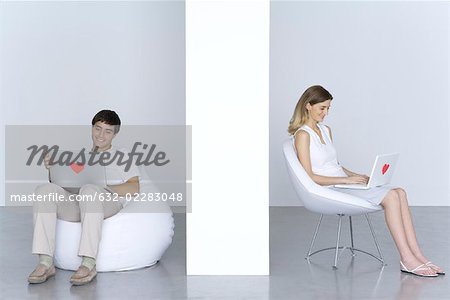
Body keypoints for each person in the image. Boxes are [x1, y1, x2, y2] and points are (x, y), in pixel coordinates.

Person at [288, 85, 444, 277]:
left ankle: (418, 255)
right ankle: (407, 259)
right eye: (322, 108)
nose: (326, 113)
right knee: (390, 197)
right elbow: (310, 177)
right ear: (308, 106)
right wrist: (346, 181)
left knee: (400, 192)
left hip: (343, 182)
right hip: (330, 188)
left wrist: (357, 176)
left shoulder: (326, 130)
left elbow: (335, 164)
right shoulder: (303, 135)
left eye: (328, 108)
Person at [28, 110, 140, 285]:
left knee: (89, 190)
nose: (101, 135)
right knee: (44, 189)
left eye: (108, 131)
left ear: (115, 134)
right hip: (81, 201)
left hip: (107, 201)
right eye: (98, 128)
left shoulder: (123, 155)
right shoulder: (80, 156)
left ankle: (88, 263)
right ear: (92, 128)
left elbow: (134, 186)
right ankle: (45, 262)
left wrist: (104, 188)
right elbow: (61, 183)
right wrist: (52, 169)